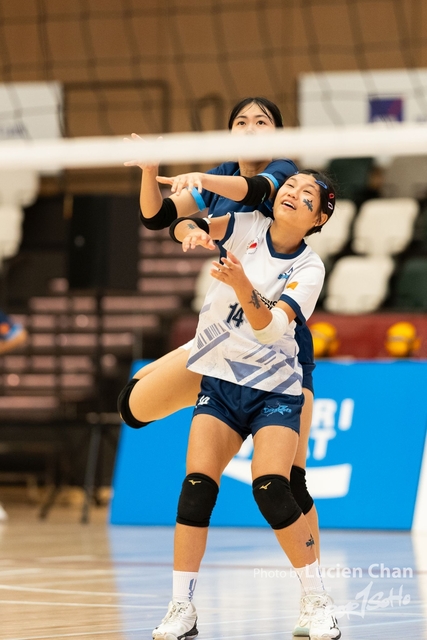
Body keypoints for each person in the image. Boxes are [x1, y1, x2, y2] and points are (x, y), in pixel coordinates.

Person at [120, 98, 321, 634]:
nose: (250, 129)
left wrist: (200, 181)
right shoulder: (223, 176)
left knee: (287, 483)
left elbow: (252, 193)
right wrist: (159, 187)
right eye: (241, 122)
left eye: (262, 122)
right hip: (223, 343)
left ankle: (314, 599)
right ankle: (198, 369)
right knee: (130, 407)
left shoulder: (282, 177)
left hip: (279, 354)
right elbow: (160, 218)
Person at [150, 170, 340, 640]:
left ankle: (316, 601)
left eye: (308, 194)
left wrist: (239, 284)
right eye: (291, 186)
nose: (293, 193)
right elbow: (181, 223)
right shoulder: (246, 223)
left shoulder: (309, 268)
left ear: (319, 218)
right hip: (221, 380)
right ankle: (182, 607)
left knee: (273, 486)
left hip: (274, 388)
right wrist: (191, 231)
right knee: (196, 487)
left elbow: (272, 328)